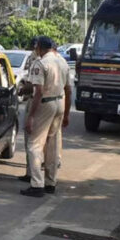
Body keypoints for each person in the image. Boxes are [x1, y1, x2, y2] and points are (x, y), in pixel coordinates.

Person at [21, 36, 71, 197]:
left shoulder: (41, 63)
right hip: (60, 102)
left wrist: (31, 117)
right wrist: (67, 114)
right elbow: (69, 90)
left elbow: (38, 92)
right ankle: (51, 182)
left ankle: (37, 184)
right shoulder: (62, 62)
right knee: (52, 144)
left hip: (46, 102)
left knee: (34, 144)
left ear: (40, 48)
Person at [17, 37, 39, 183]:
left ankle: (32, 175)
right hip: (52, 101)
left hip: (36, 100)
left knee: (31, 141)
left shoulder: (36, 60)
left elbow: (33, 86)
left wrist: (21, 90)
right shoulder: (57, 60)